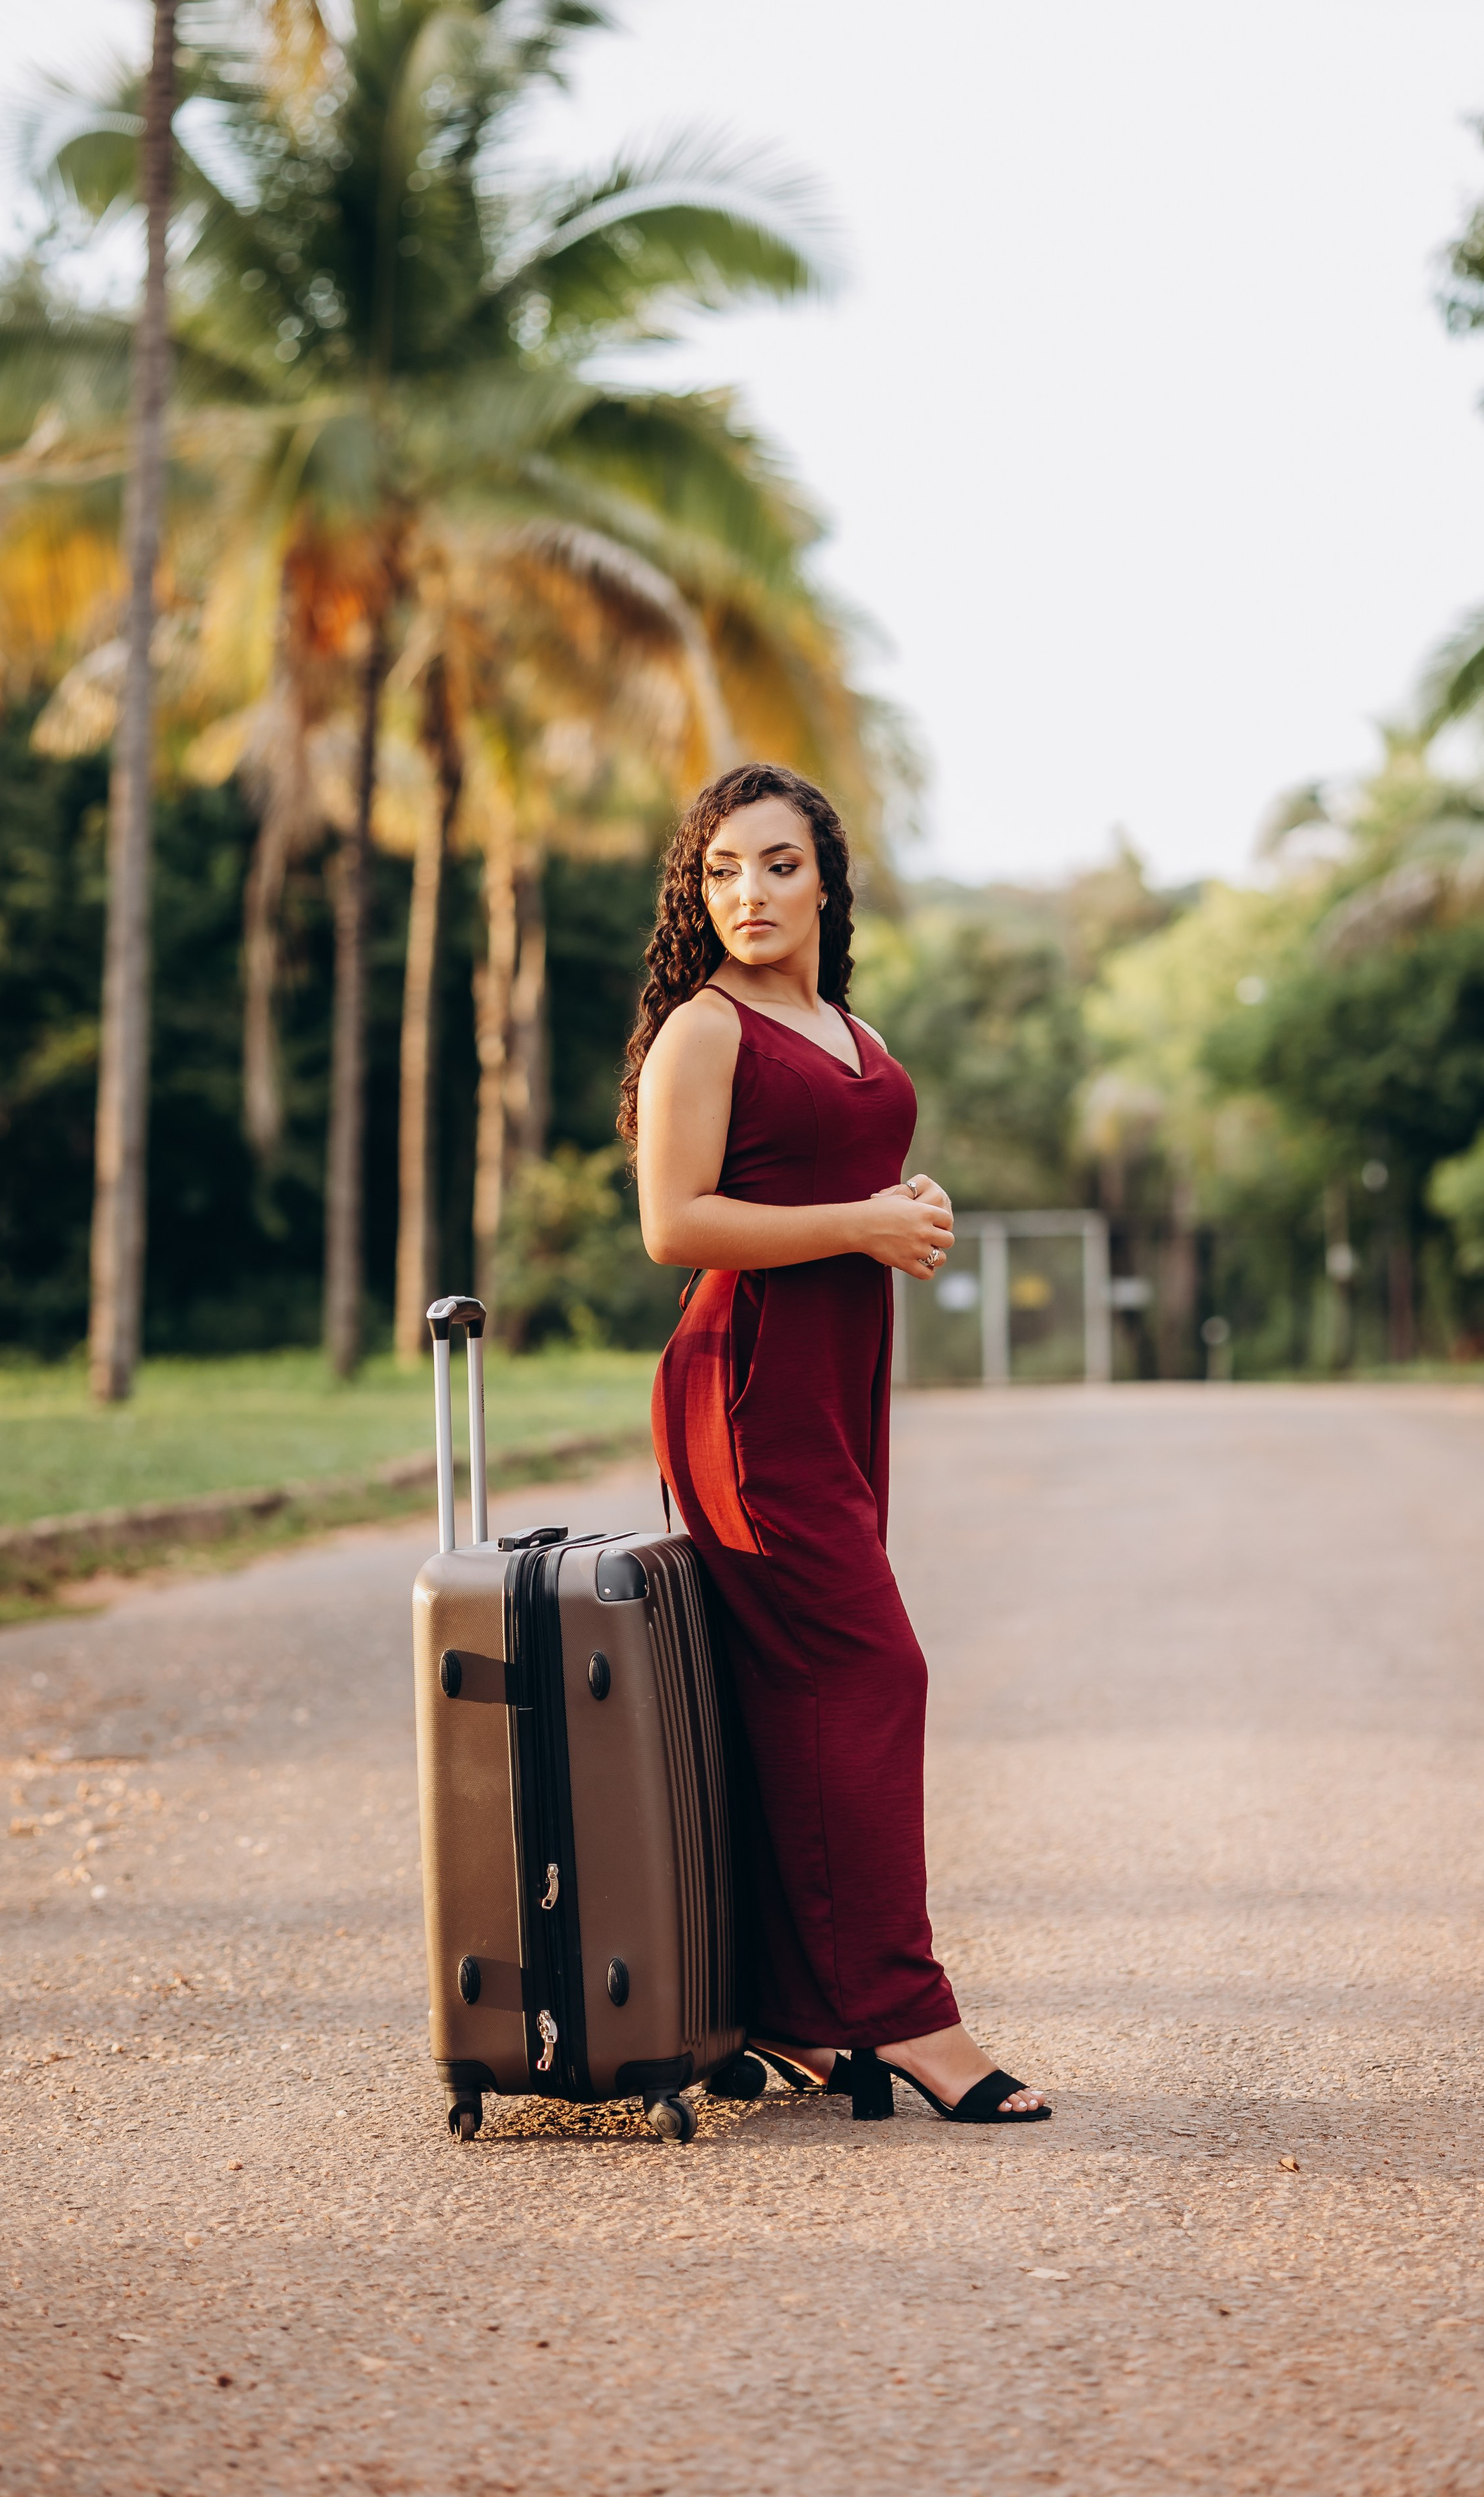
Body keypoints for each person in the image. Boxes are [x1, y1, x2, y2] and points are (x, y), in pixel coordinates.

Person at [622, 761, 1050, 2125]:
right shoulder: (706, 1029)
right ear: (699, 892)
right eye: (723, 871)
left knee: (801, 1690)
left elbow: (825, 1175)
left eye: (778, 865)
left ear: (826, 879)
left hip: (829, 1389)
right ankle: (907, 2015)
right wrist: (865, 1225)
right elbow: (675, 1225)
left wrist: (897, 1201)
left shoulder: (837, 1024)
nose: (750, 893)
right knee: (876, 1670)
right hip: (743, 1390)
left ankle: (802, 2021)